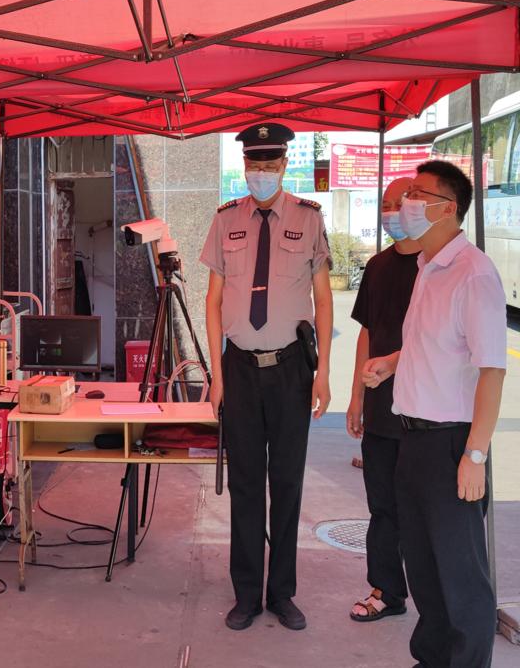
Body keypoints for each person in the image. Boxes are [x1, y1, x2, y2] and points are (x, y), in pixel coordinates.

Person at [362, 161, 505, 668]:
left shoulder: (474, 273)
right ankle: (432, 658)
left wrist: (475, 455)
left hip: (451, 444)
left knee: (460, 576)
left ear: (448, 209)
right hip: (413, 440)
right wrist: (391, 362)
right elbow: (434, 344)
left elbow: (492, 370)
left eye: (419, 195)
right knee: (424, 568)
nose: (407, 204)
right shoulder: (427, 266)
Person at [200, 123, 333, 632]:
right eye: (253, 165)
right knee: (246, 484)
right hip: (240, 368)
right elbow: (213, 302)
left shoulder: (308, 218)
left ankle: (282, 593)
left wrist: (323, 373)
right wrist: (216, 375)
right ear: (245, 167)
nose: (260, 173)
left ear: (284, 165)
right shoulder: (225, 220)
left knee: (288, 483)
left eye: (269, 165)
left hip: (292, 369)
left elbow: (324, 299)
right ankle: (246, 595)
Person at [346, 177, 418, 623]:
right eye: (386, 204)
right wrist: (356, 397)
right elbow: (367, 332)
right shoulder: (377, 266)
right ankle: (386, 590)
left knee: (429, 512)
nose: (391, 212)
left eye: (401, 203)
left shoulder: (439, 267)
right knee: (383, 508)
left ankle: (440, 599)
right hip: (381, 410)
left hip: (429, 414)